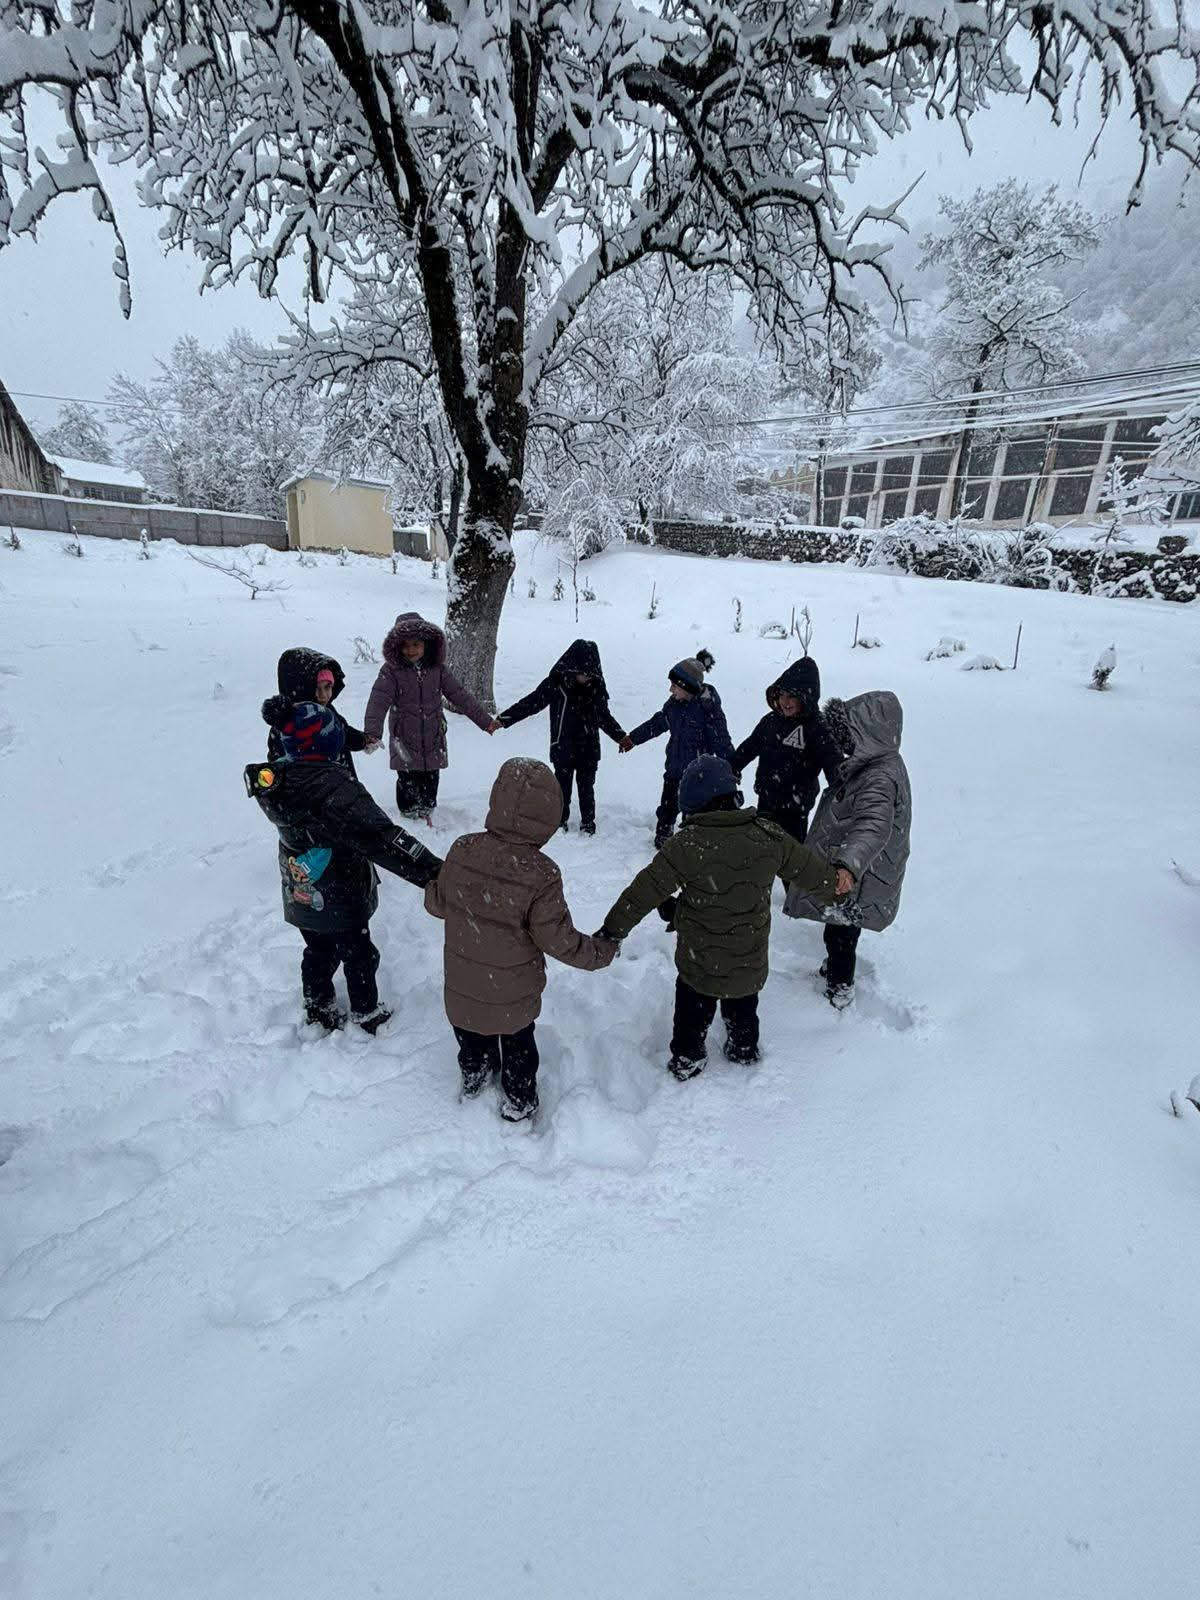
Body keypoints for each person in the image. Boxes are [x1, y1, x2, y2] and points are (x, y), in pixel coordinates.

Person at [600, 755, 844, 1080]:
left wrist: (612, 930)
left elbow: (643, 892)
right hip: (748, 960)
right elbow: (813, 874)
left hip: (699, 962)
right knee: (742, 1007)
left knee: (692, 1012)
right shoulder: (769, 837)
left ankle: (688, 1057)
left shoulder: (687, 844)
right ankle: (743, 1050)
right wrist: (838, 885)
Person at [424, 757, 617, 1121]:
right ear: (547, 817)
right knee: (517, 1048)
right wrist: (600, 952)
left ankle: (475, 1079)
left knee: (472, 1040)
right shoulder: (541, 874)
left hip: (464, 988)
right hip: (512, 995)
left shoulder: (462, 849)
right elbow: (557, 939)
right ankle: (518, 1101)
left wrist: (441, 885)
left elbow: (437, 904)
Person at [250, 694, 442, 1033]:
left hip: (302, 893)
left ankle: (318, 1006)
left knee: (318, 951)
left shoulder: (275, 780)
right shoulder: (336, 788)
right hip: (341, 894)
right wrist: (434, 871)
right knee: (359, 954)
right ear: (331, 743)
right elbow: (383, 838)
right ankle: (366, 1013)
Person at [783, 691, 911, 1010]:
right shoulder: (874, 764)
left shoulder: (879, 778)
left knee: (842, 934)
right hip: (856, 870)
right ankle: (836, 970)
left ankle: (840, 988)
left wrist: (848, 867)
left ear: (867, 736)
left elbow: (873, 825)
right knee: (838, 928)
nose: (841, 747)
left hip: (860, 874)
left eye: (847, 740)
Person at [362, 612, 499, 822]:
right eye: (405, 645)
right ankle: (408, 815)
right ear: (397, 647)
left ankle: (427, 811)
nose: (411, 650)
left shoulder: (438, 669)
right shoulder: (391, 671)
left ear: (426, 644)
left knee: (431, 776)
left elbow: (459, 695)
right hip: (404, 738)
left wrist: (485, 721)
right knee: (407, 777)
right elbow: (378, 701)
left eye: (416, 644)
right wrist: (372, 732)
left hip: (434, 736)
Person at [496, 639, 626, 833]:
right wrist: (504, 719)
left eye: (590, 674)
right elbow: (531, 703)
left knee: (586, 788)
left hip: (589, 748)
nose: (586, 678)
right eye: (583, 673)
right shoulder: (556, 684)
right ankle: (559, 820)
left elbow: (604, 718)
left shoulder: (596, 688)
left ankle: (588, 823)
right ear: (572, 668)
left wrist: (621, 737)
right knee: (561, 789)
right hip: (563, 746)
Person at [619, 649, 733, 847]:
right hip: (674, 768)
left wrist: (732, 766)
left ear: (687, 687)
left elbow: (721, 740)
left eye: (674, 686)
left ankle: (692, 843)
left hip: (698, 776)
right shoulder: (674, 705)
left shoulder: (708, 709)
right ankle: (663, 835)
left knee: (694, 812)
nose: (671, 690)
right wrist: (633, 738)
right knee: (667, 807)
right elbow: (657, 723)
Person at [731, 656, 841, 846]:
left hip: (795, 810)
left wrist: (841, 788)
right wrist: (731, 766)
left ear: (807, 697)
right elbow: (750, 746)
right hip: (766, 801)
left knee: (793, 862)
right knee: (760, 854)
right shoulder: (771, 722)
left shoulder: (817, 728)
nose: (785, 702)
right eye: (782, 695)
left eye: (792, 696)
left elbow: (832, 760)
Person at [266, 647, 363, 775]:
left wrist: (363, 740)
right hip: (314, 790)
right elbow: (278, 773)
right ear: (300, 688)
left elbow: (344, 733)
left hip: (343, 784)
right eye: (316, 688)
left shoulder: (326, 713)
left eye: (328, 687)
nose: (323, 695)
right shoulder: (286, 729)